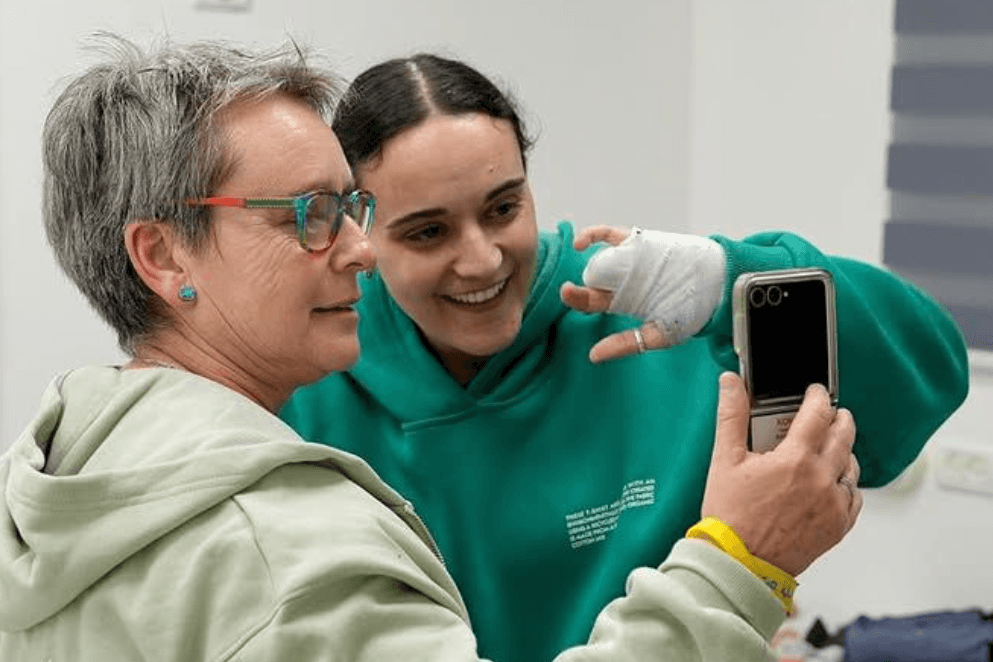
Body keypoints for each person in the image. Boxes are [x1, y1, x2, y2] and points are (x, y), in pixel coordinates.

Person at [0, 35, 862, 662]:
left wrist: (730, 275)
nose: (359, 251)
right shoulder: (280, 545)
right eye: (309, 216)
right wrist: (738, 566)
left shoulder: (69, 467)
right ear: (161, 255)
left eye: (351, 209)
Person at [279, 53, 971, 662]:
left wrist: (732, 275)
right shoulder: (305, 379)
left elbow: (923, 382)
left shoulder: (646, 311)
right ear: (358, 231)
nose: (481, 259)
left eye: (501, 209)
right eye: (428, 232)